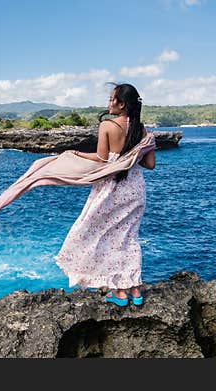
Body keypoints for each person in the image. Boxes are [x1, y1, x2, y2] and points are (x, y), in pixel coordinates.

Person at [53, 82, 156, 307]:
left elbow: (101, 159)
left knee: (102, 236)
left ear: (122, 104)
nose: (109, 103)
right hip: (135, 189)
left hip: (111, 188)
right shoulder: (142, 130)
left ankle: (119, 292)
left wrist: (76, 153)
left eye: (112, 100)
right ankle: (135, 289)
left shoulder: (107, 126)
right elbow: (150, 164)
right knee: (129, 237)